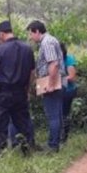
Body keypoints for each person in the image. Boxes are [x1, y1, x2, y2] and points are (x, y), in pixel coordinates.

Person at [0, 21, 35, 154]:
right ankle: (27, 150)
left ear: (2, 34)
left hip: (4, 92)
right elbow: (32, 73)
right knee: (23, 123)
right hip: (20, 92)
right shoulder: (27, 49)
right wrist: (27, 90)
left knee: (0, 124)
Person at [27, 20, 65, 153]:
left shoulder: (47, 42)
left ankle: (53, 145)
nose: (31, 38)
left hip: (51, 81)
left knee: (53, 115)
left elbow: (53, 64)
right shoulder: (50, 40)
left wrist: (50, 84)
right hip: (53, 80)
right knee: (56, 114)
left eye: (31, 34)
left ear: (37, 31)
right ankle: (55, 141)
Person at [60, 43, 78, 142]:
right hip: (60, 90)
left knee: (64, 113)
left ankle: (64, 136)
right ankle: (61, 134)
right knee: (60, 113)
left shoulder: (68, 59)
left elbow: (72, 77)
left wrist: (58, 79)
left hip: (68, 90)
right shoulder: (56, 60)